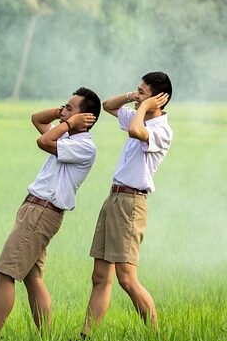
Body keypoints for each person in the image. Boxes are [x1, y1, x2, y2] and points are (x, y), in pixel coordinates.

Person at [0, 87, 101, 335]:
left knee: (5, 273)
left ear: (86, 118)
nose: (63, 113)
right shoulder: (68, 138)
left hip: (41, 212)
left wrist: (68, 122)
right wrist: (64, 114)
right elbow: (37, 119)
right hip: (36, 210)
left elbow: (43, 141)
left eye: (70, 108)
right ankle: (47, 336)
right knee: (32, 277)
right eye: (64, 107)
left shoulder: (84, 147)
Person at [78, 72, 173, 339]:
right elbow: (108, 105)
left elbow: (135, 130)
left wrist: (144, 106)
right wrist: (135, 97)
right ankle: (86, 335)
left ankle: (154, 334)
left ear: (157, 100)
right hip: (114, 198)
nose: (136, 95)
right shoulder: (138, 114)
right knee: (100, 276)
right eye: (137, 90)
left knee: (127, 278)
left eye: (142, 91)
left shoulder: (161, 130)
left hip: (132, 203)